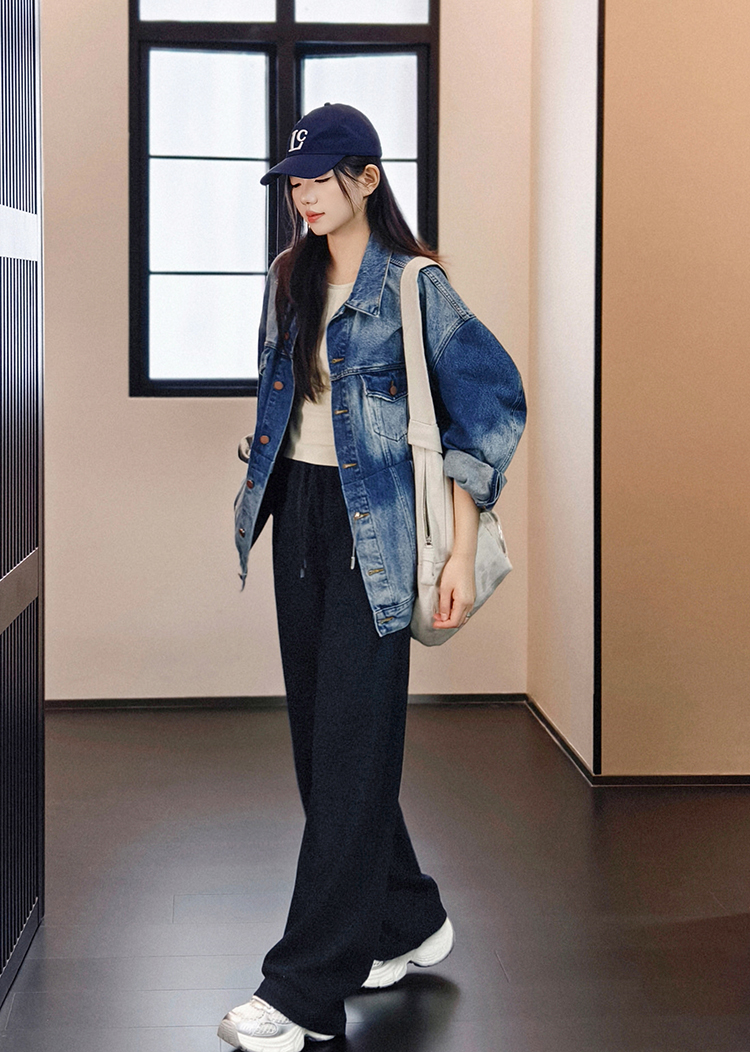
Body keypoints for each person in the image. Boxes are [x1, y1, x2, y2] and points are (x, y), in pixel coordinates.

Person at [220, 103, 526, 1052]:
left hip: (378, 533)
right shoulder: (290, 277)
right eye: (295, 183)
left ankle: (303, 990)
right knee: (326, 751)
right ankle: (404, 920)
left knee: (352, 752)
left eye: (321, 178)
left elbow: (489, 409)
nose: (305, 196)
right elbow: (286, 401)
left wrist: (461, 555)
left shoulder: (415, 285)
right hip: (299, 519)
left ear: (368, 179)